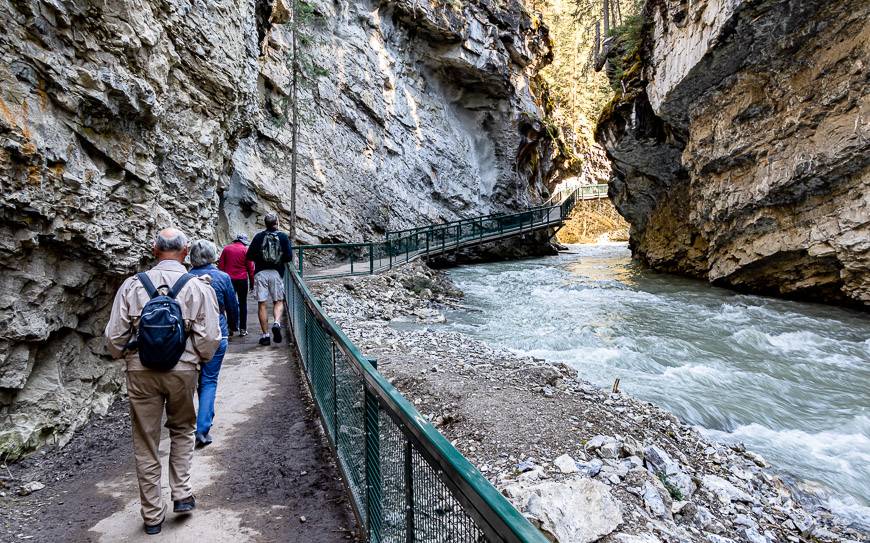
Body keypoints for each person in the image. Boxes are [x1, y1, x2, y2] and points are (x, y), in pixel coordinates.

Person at [105, 228, 221, 535]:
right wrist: (195, 357)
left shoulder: (132, 285)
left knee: (146, 440)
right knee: (183, 429)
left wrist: (127, 356)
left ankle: (152, 514)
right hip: (183, 371)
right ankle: (181, 494)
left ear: (154, 249)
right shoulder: (197, 286)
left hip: (140, 372)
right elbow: (210, 339)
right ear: (186, 251)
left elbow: (113, 339)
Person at [189, 239, 239, 448]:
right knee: (209, 380)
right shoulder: (222, 277)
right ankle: (202, 429)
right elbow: (232, 305)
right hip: (217, 332)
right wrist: (234, 326)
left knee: (191, 380)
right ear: (213, 256)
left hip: (190, 335)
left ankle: (184, 424)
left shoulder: (185, 278)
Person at [246, 212, 292, 346]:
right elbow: (288, 257)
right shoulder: (282, 236)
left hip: (260, 273)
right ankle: (277, 323)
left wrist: (260, 257)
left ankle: (265, 336)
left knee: (262, 303)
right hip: (277, 273)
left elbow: (249, 256)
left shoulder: (259, 237)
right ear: (276, 222)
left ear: (265, 223)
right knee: (278, 301)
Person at [217, 233, 255, 336]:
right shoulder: (245, 250)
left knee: (229, 304)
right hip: (242, 280)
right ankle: (243, 329)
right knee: (243, 303)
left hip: (228, 280)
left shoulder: (226, 249)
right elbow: (251, 269)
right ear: (244, 242)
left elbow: (221, 266)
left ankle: (230, 327)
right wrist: (252, 283)